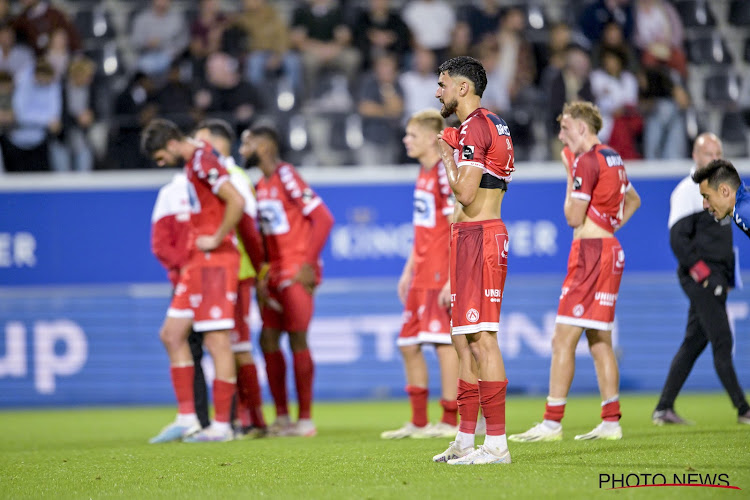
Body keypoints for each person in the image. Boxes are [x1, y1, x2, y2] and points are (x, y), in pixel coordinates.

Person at [508, 100, 641, 443]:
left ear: (582, 128)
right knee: (600, 341)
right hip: (610, 249)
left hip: (590, 254)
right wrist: (609, 227)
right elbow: (634, 200)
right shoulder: (613, 156)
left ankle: (552, 423)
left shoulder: (585, 160)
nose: (560, 134)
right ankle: (611, 421)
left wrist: (571, 178)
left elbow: (571, 216)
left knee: (562, 338)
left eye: (565, 127)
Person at [430, 56, 514, 465]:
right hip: (470, 237)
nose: (438, 91)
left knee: (482, 340)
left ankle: (496, 445)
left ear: (463, 87)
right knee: (463, 341)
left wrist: (445, 154)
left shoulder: (475, 125)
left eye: (443, 83)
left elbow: (464, 194)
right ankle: (465, 439)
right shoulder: (486, 124)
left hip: (481, 236)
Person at [141, 118, 244, 443]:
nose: (162, 164)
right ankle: (188, 418)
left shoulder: (202, 160)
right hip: (198, 264)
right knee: (172, 335)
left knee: (216, 340)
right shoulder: (194, 163)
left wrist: (216, 237)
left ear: (171, 144)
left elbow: (236, 200)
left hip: (216, 261)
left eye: (160, 157)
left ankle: (223, 426)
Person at [243, 124, 335, 437]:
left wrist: (308, 264)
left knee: (297, 338)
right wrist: (262, 273)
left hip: (295, 270)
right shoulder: (260, 185)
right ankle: (282, 417)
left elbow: (323, 217)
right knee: (267, 339)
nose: (243, 149)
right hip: (274, 274)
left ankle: (305, 419)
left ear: (265, 147)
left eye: (248, 142)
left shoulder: (285, 175)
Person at [653, 134, 750, 426]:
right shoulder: (689, 191)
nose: (707, 205)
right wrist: (705, 277)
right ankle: (743, 409)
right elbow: (678, 240)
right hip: (703, 279)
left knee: (694, 343)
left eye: (719, 152)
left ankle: (663, 407)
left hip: (718, 277)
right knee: (722, 340)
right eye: (709, 152)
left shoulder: (734, 202)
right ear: (695, 155)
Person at [380, 109, 458, 440]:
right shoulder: (423, 173)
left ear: (430, 137)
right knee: (408, 344)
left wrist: (453, 277)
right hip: (421, 271)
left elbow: (457, 225)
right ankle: (418, 421)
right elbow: (423, 229)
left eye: (411, 135)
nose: (405, 140)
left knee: (444, 345)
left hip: (440, 269)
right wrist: (407, 270)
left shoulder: (443, 171)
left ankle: (451, 419)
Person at [193, 119, 268, 437]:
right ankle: (240, 417)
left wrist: (260, 269)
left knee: (236, 346)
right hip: (220, 272)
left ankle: (250, 418)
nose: (195, 146)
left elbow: (249, 227)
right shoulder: (207, 173)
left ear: (215, 141)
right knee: (227, 345)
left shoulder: (234, 177)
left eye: (200, 139)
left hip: (235, 272)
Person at [150, 165, 211, 430]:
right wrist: (187, 266)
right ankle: (198, 418)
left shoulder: (217, 184)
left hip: (212, 279)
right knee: (190, 345)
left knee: (221, 345)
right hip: (188, 281)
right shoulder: (171, 193)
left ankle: (227, 421)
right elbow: (160, 244)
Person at [694, 159, 750, 241]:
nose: (704, 206)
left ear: (724, 191)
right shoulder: (743, 201)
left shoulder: (743, 211)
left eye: (707, 197)